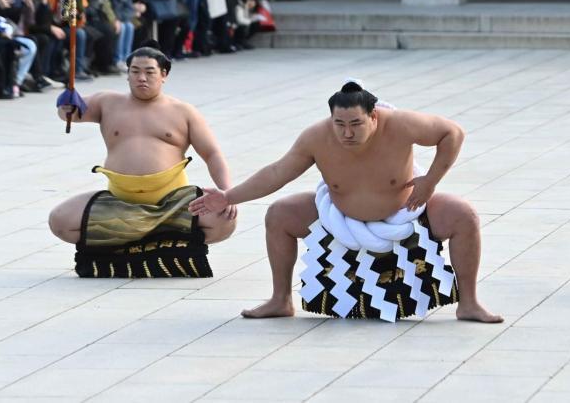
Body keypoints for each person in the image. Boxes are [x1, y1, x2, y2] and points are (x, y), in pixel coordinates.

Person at [190, 80, 503, 323]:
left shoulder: (401, 124)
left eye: (355, 124)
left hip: (406, 212)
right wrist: (229, 196)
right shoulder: (316, 137)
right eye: (339, 124)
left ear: (374, 116)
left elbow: (453, 133)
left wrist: (430, 181)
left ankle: (470, 303)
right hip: (339, 217)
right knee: (280, 214)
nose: (347, 133)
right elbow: (277, 172)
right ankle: (281, 300)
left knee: (465, 215)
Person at [47, 43, 237, 277]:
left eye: (149, 72)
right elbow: (72, 113)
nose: (141, 78)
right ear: (127, 75)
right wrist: (65, 105)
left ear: (164, 75)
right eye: (135, 71)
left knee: (224, 221)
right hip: (119, 201)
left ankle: (146, 237)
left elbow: (212, 154)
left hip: (172, 203)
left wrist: (227, 192)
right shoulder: (107, 102)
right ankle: (147, 238)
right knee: (60, 221)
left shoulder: (183, 111)